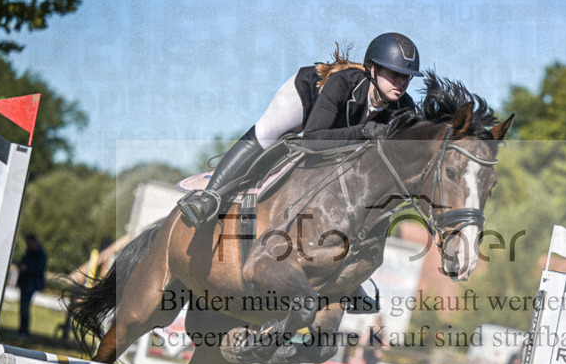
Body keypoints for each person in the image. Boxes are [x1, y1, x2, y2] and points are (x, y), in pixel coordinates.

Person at [177, 32, 423, 226]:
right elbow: (312, 140)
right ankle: (208, 197)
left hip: (337, 128)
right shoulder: (341, 83)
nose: (401, 82)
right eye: (394, 74)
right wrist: (365, 132)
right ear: (372, 70)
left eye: (406, 77)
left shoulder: (404, 107)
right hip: (305, 98)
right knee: (266, 134)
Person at [15, 233, 48, 336]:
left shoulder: (41, 254)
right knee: (23, 307)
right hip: (25, 283)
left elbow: (40, 269)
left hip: (31, 284)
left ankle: (24, 330)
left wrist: (26, 268)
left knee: (25, 307)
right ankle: (22, 329)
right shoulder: (29, 252)